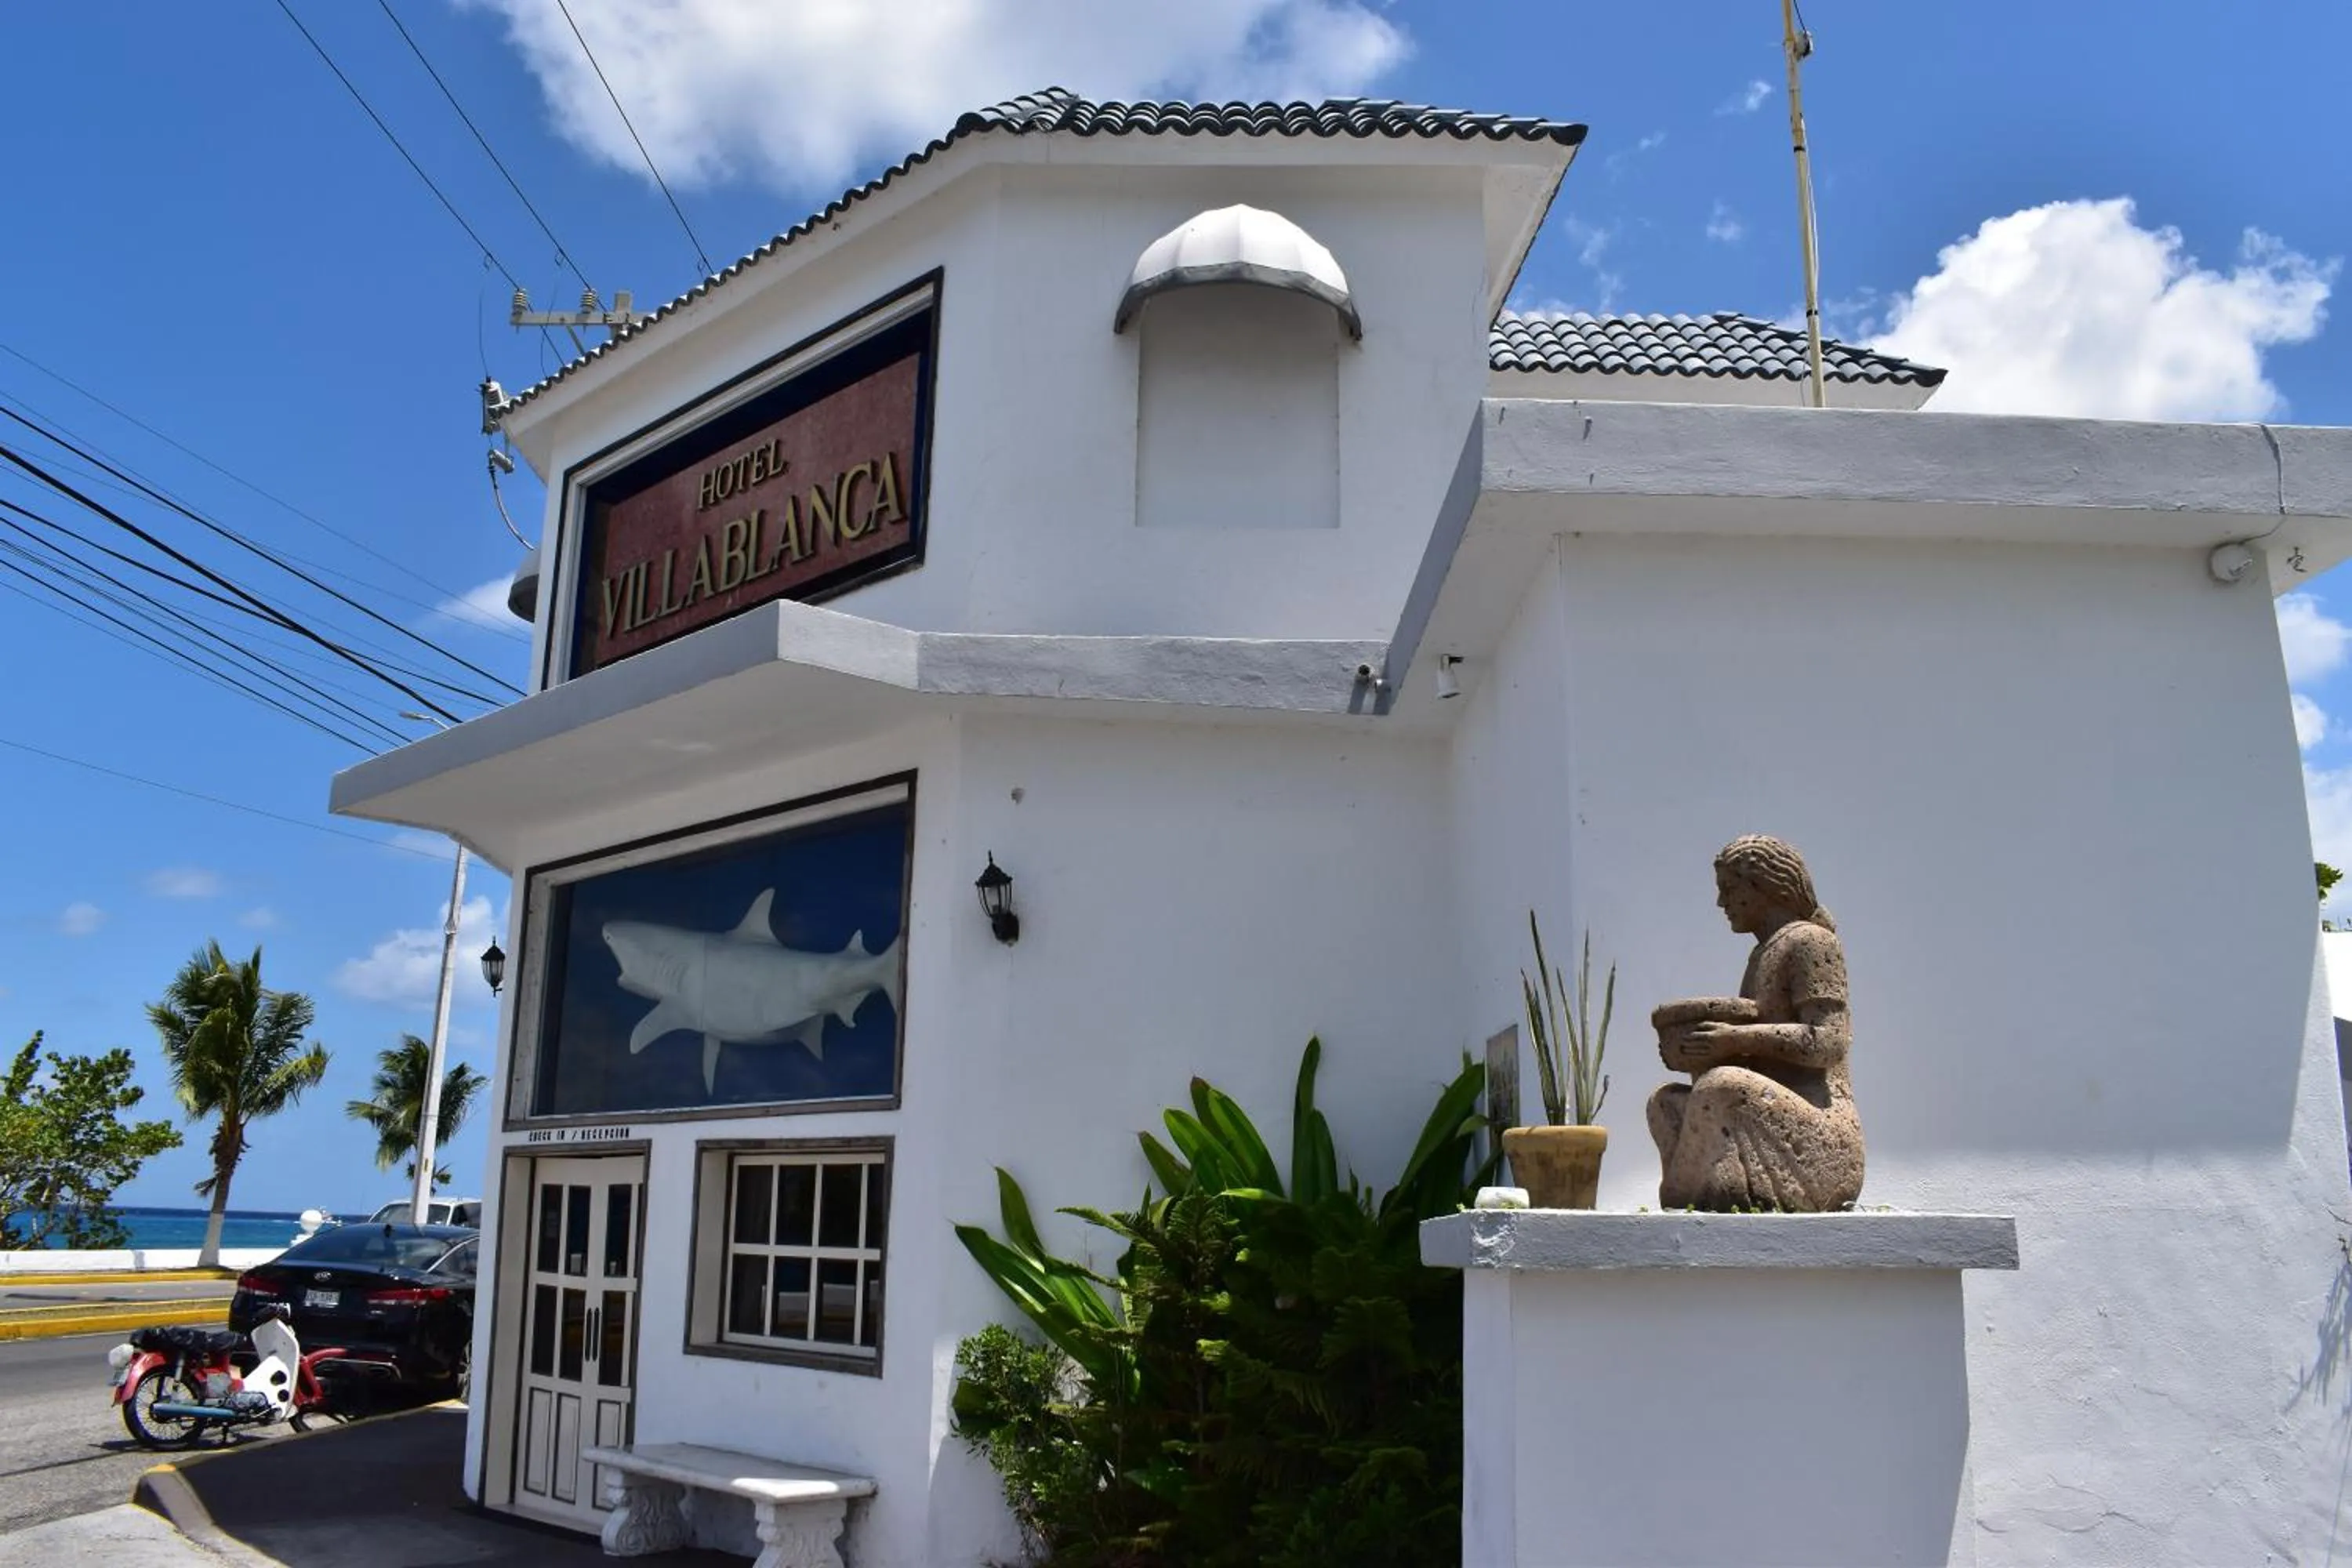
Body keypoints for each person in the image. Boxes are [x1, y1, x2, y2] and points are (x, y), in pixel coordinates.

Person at [1646, 835, 1865, 1212]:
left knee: (1721, 1087)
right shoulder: (1762, 954)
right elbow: (1758, 1063)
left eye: (1730, 889)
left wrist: (1733, 1039)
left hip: (1824, 1135)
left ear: (1765, 886)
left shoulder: (1811, 943)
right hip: (1778, 1111)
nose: (1721, 903)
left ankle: (1677, 1205)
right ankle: (1715, 1199)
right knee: (1665, 1104)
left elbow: (1829, 1040)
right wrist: (1699, 1051)